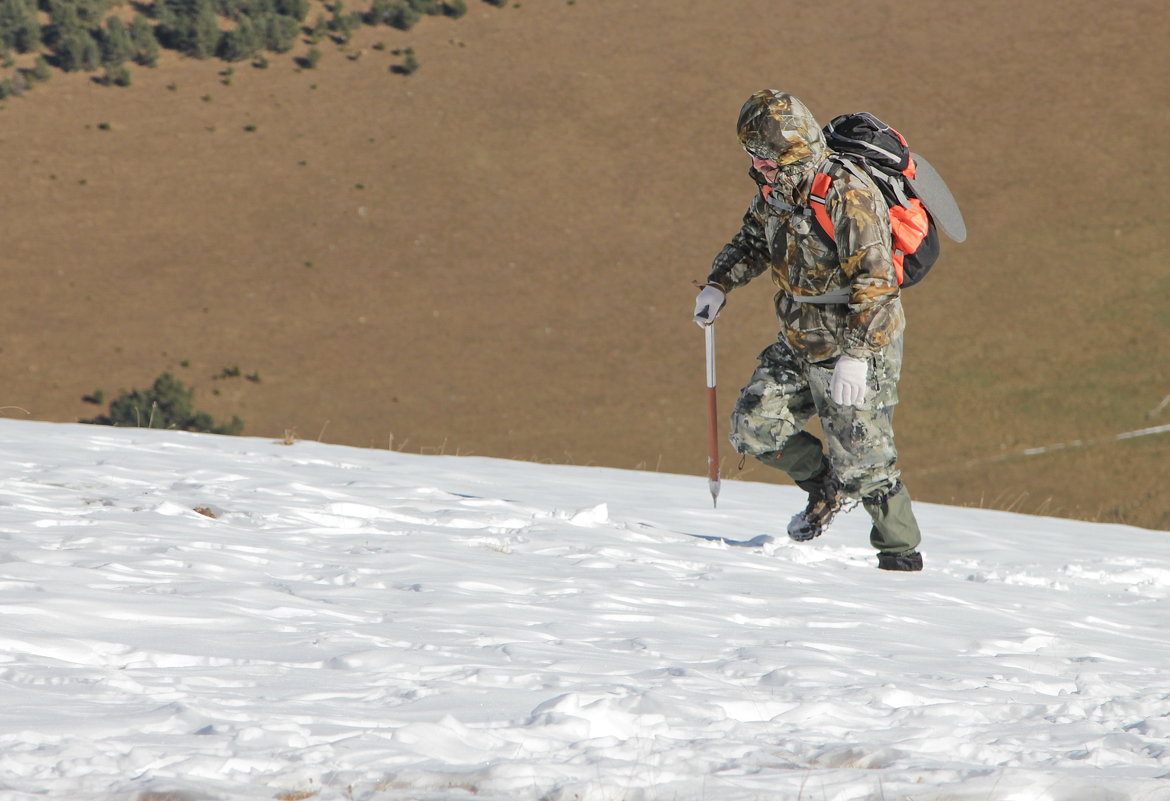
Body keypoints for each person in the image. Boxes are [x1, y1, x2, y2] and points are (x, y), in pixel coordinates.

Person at [692, 89, 923, 572]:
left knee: (866, 459)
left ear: (792, 152)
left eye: (766, 160)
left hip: (857, 339)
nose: (759, 170)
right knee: (753, 426)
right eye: (753, 159)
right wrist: (718, 283)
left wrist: (858, 356)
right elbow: (755, 239)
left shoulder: (848, 195)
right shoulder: (778, 188)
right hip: (801, 335)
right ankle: (825, 486)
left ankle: (900, 559)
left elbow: (877, 284)